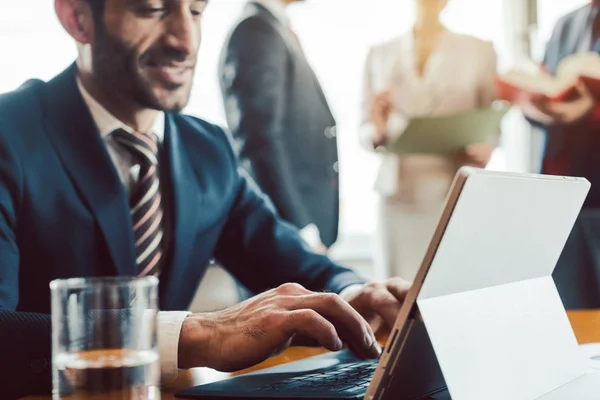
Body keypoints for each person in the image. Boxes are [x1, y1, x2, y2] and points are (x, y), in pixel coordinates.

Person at [0, 0, 411, 398]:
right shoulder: (9, 135)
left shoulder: (208, 148)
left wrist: (352, 294)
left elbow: (294, 262)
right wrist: (194, 335)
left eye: (196, 10)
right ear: (76, 17)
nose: (185, 40)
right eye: (152, 9)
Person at [360, 0, 498, 281]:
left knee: (451, 284)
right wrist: (378, 128)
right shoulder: (380, 52)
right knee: (396, 290)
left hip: (452, 187)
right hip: (398, 194)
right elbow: (364, 129)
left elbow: (491, 123)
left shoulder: (479, 50)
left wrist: (485, 147)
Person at [219, 0, 338, 254]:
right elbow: (259, 141)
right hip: (286, 235)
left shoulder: (273, 27)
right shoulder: (256, 31)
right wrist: (301, 230)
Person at [517, 1, 600, 309]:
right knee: (568, 307)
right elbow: (545, 87)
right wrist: (537, 106)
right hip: (560, 197)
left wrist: (589, 112)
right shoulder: (566, 24)